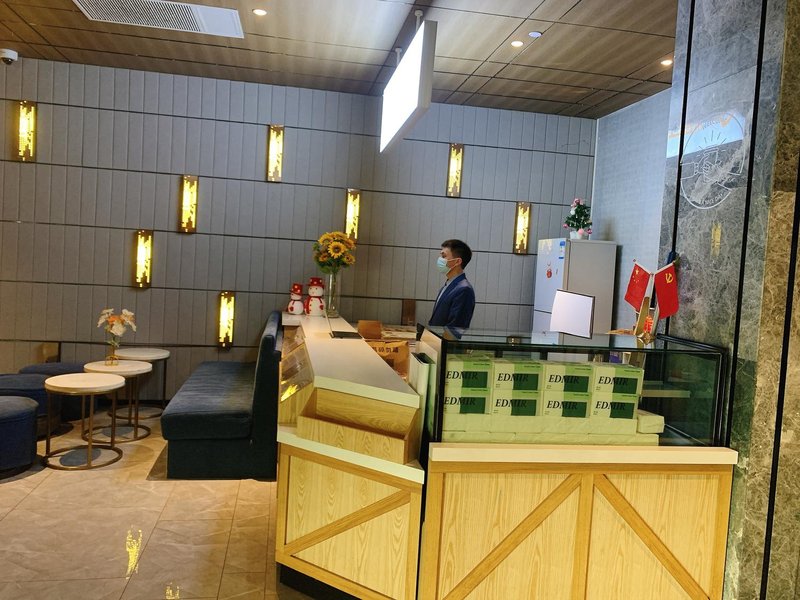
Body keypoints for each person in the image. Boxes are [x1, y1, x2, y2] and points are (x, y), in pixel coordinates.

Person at [428, 239, 475, 330]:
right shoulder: (448, 285)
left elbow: (455, 328)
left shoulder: (464, 289)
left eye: (444, 256)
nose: (440, 259)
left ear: (457, 262)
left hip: (443, 339)